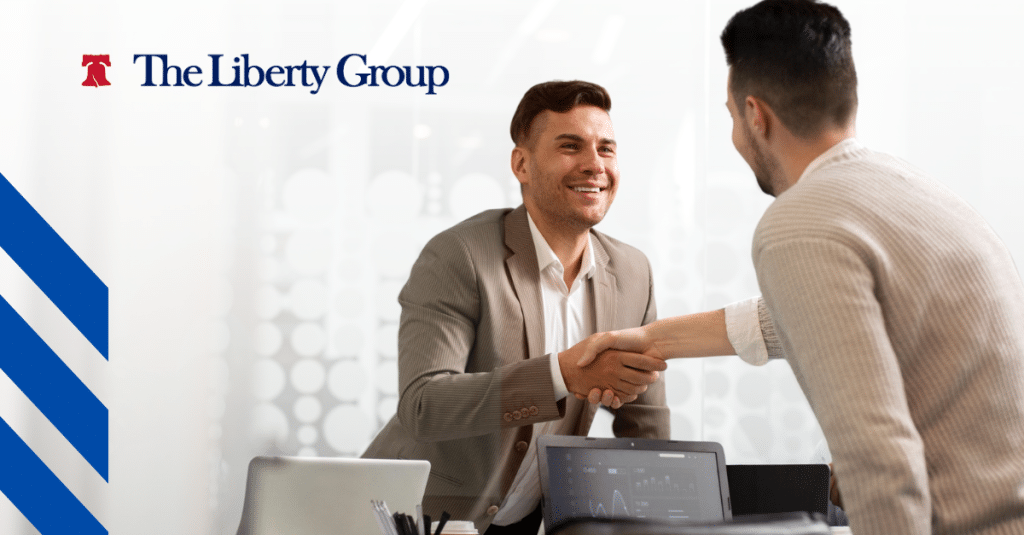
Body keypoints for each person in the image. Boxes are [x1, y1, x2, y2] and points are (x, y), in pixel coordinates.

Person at [573, 1, 1024, 534]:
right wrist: (651, 340)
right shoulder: (913, 196)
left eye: (731, 115)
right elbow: (796, 317)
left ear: (755, 115)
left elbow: (876, 453)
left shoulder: (801, 221)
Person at [362, 80, 670, 534]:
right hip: (416, 519)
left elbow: (644, 425)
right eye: (570, 146)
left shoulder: (632, 272)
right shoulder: (460, 255)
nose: (594, 165)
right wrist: (561, 375)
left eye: (607, 149)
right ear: (521, 164)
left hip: (523, 521)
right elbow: (424, 404)